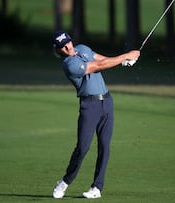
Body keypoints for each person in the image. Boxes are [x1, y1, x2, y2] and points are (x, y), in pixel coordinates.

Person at [51, 31, 140, 199]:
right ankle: (65, 181)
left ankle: (96, 188)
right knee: (83, 148)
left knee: (105, 146)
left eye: (68, 42)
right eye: (63, 46)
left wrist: (125, 61)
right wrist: (125, 56)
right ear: (58, 49)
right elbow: (97, 66)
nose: (67, 46)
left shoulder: (83, 49)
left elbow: (101, 59)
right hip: (89, 106)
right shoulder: (69, 65)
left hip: (107, 102)